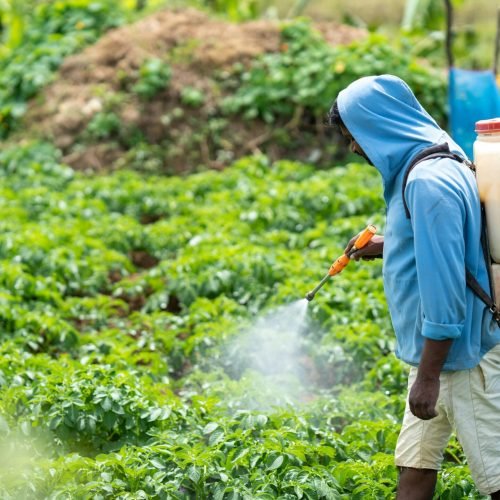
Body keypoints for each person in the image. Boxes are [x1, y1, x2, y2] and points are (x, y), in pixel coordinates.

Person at [327, 74, 500, 500]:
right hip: (438, 355)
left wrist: (427, 376)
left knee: (496, 479)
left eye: (356, 136)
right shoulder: (442, 150)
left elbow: (444, 290)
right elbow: (455, 238)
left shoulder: (426, 184)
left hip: (459, 359)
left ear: (380, 126)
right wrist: (392, 245)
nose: (354, 148)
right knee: (415, 464)